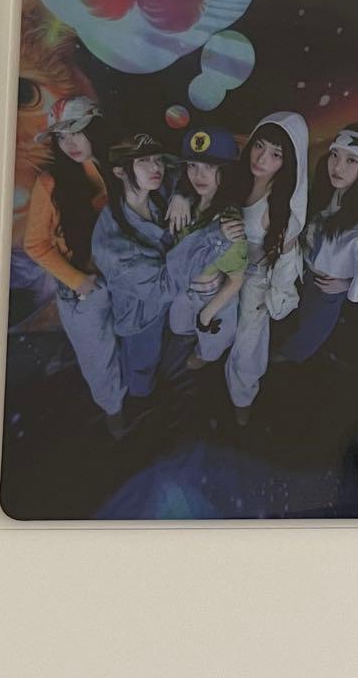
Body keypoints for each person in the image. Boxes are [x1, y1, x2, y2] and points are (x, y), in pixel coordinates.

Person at [92, 133, 225, 400]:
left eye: (157, 159)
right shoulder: (112, 244)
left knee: (169, 351)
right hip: (142, 318)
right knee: (143, 365)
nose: (156, 167)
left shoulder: (157, 194)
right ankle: (141, 400)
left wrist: (180, 195)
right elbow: (163, 286)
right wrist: (215, 236)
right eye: (143, 161)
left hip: (171, 306)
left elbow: (182, 173)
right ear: (120, 172)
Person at [23, 95, 125, 428]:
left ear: (95, 128)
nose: (70, 144)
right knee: (98, 358)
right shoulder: (50, 183)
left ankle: (134, 399)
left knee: (130, 344)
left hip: (124, 278)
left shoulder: (120, 164)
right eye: (61, 137)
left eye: (77, 132)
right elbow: (35, 244)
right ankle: (114, 414)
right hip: (83, 288)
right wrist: (78, 281)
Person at [278, 123, 358, 363]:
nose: (337, 167)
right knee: (282, 318)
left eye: (351, 160)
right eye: (335, 155)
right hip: (298, 271)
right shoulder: (323, 194)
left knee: (307, 332)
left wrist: (347, 284)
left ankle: (287, 360)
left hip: (325, 289)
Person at [220, 112, 309, 420]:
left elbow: (286, 260)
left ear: (287, 162)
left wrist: (278, 296)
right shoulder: (234, 178)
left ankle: (242, 397)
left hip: (255, 279)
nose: (261, 158)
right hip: (220, 269)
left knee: (249, 343)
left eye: (275, 154)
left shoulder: (281, 208)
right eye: (259, 146)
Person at [166, 125, 247, 370]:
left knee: (211, 344)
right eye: (192, 165)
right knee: (180, 327)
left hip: (212, 297)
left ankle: (203, 355)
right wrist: (180, 195)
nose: (199, 175)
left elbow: (236, 280)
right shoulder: (187, 202)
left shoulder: (228, 223)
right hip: (184, 290)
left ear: (225, 170)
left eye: (209, 167)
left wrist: (206, 315)